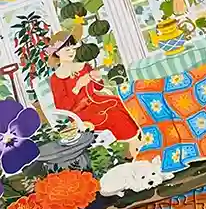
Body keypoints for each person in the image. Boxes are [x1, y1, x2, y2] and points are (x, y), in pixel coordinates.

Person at [48, 27, 141, 156]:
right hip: (80, 113)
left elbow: (97, 88)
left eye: (73, 48)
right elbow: (63, 107)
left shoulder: (84, 66)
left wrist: (97, 78)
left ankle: (136, 141)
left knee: (120, 102)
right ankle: (134, 146)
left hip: (96, 101)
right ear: (57, 52)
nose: (71, 52)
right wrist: (77, 87)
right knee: (112, 114)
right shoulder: (56, 78)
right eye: (67, 49)